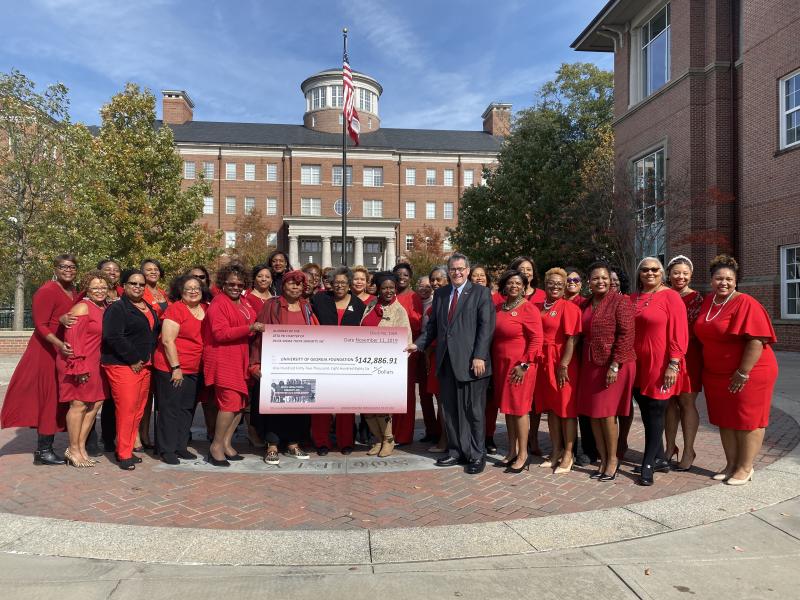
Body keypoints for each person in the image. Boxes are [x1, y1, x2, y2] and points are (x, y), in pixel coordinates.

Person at [694, 255, 779, 486]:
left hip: (749, 372)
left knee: (748, 419)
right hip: (716, 374)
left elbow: (757, 340)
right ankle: (731, 464)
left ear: (735, 281)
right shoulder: (709, 301)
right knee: (725, 419)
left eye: (729, 279)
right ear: (711, 280)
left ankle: (745, 467)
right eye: (719, 278)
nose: (724, 282)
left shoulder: (746, 303)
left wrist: (743, 372)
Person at [408, 253, 496, 475]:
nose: (457, 273)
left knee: (473, 412)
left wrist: (479, 356)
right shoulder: (441, 294)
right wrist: (417, 345)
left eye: (460, 269)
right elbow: (433, 328)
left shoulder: (481, 293)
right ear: (449, 272)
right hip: (446, 362)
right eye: (453, 269)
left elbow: (486, 328)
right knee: (449, 410)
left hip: (472, 363)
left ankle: (476, 455)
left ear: (467, 270)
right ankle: (456, 451)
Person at [1, 254, 79, 465]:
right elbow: (41, 325)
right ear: (55, 268)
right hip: (45, 352)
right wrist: (59, 343)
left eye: (72, 267)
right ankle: (43, 451)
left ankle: (51, 445)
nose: (68, 270)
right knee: (49, 398)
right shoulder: (47, 291)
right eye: (63, 266)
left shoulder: (73, 291)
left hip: (63, 351)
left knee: (59, 397)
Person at [630, 257, 689, 486]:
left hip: (660, 364)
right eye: (645, 270)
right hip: (636, 364)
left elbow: (679, 334)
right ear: (639, 273)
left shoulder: (671, 297)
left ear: (662, 273)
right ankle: (659, 458)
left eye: (655, 269)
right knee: (645, 412)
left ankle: (648, 465)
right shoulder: (633, 298)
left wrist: (673, 365)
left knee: (656, 412)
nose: (650, 273)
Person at [576, 262, 636, 481]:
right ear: (589, 282)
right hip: (590, 364)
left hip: (614, 364)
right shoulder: (586, 304)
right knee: (593, 414)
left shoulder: (621, 301)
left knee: (607, 413)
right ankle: (602, 459)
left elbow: (627, 335)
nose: (600, 281)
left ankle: (612, 460)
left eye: (604, 278)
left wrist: (615, 364)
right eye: (595, 278)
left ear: (611, 281)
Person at [250, 270, 317, 464]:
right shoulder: (272, 305)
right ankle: (272, 445)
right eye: (291, 283)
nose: (295, 287)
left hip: (300, 367)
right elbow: (258, 337)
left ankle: (292, 444)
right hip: (275, 365)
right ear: (283, 285)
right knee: (275, 405)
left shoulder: (307, 307)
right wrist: (254, 364)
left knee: (297, 405)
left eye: (299, 284)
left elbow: (317, 335)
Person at [203, 263, 263, 467]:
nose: (236, 287)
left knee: (239, 405)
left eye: (239, 284)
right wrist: (249, 328)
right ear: (223, 284)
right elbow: (220, 333)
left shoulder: (244, 301)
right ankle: (216, 446)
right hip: (224, 359)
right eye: (231, 284)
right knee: (229, 403)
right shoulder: (219, 303)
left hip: (241, 358)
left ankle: (227, 444)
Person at [102, 269, 160, 470]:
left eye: (141, 284)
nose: (137, 287)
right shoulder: (117, 308)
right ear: (124, 286)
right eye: (133, 283)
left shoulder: (146, 306)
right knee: (126, 410)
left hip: (145, 366)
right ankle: (124, 453)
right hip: (123, 365)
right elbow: (114, 336)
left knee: (137, 410)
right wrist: (134, 358)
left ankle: (127, 448)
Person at [309, 267, 366, 455]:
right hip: (322, 359)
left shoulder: (359, 305)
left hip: (348, 362)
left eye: (343, 282)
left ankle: (345, 442)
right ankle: (322, 442)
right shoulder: (319, 300)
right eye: (336, 283)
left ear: (349, 284)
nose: (339, 286)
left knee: (345, 404)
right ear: (330, 284)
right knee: (322, 403)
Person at [57, 270, 111, 467]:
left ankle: (80, 448)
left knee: (95, 405)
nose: (100, 290)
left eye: (103, 287)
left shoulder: (104, 307)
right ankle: (72, 449)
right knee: (79, 405)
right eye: (95, 287)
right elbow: (71, 341)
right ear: (87, 288)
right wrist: (79, 367)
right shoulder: (82, 308)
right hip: (81, 362)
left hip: (98, 364)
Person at [491, 270, 543, 473]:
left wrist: (524, 364)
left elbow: (537, 340)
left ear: (524, 286)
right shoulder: (500, 308)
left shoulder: (528, 309)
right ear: (505, 285)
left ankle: (523, 454)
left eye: (518, 283)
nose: (514, 286)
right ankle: (511, 451)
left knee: (520, 410)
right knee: (509, 410)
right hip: (502, 365)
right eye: (510, 282)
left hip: (520, 367)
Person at [152, 274, 205, 465]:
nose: (193, 291)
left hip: (194, 368)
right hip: (172, 366)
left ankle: (180, 446)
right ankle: (167, 449)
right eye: (188, 288)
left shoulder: (205, 309)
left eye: (196, 288)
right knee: (170, 408)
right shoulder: (176, 310)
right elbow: (167, 341)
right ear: (180, 291)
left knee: (187, 408)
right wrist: (176, 367)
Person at [534, 268, 582, 474]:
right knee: (552, 409)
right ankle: (555, 451)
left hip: (562, 362)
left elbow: (573, 338)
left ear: (565, 287)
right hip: (544, 362)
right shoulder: (538, 307)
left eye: (559, 284)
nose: (555, 287)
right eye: (551, 283)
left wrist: (564, 364)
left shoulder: (568, 307)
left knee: (566, 410)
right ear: (545, 284)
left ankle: (569, 454)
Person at [362, 271, 413, 457]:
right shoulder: (371, 305)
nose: (388, 291)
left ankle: (388, 439)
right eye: (384, 288)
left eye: (392, 288)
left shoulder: (399, 311)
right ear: (378, 289)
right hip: (366, 363)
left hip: (386, 367)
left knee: (382, 405)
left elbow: (406, 341)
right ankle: (377, 439)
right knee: (367, 406)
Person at [665, 255, 704, 471]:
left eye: (685, 273)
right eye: (676, 272)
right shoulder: (662, 295)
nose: (680, 276)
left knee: (686, 403)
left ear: (691, 275)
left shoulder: (698, 299)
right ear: (669, 274)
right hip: (665, 357)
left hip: (690, 358)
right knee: (669, 404)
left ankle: (689, 450)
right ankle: (670, 447)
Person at [508, 256, 545, 455]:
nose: (526, 272)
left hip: (535, 355)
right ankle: (517, 445)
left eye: (529, 269)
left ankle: (533, 437)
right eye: (521, 269)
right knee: (518, 403)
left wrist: (527, 361)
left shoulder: (541, 296)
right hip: (513, 357)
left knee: (534, 402)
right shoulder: (506, 298)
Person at [393, 262, 424, 446]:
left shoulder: (415, 298)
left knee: (406, 393)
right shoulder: (389, 293)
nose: (401, 278)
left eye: (405, 275)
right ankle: (390, 432)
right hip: (389, 350)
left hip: (408, 351)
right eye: (398, 275)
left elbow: (419, 323)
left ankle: (404, 434)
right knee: (392, 393)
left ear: (410, 277)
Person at [470, 264, 500, 454]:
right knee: (477, 401)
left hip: (495, 355)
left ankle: (489, 436)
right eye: (475, 275)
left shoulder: (499, 299)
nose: (479, 278)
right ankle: (477, 437)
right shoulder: (468, 298)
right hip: (476, 356)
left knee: (491, 402)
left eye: (482, 276)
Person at [421, 266, 449, 452]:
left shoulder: (450, 301)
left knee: (446, 402)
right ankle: (443, 438)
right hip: (434, 357)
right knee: (440, 401)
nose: (435, 283)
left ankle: (446, 441)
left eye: (439, 279)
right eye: (433, 280)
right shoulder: (435, 303)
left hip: (447, 357)